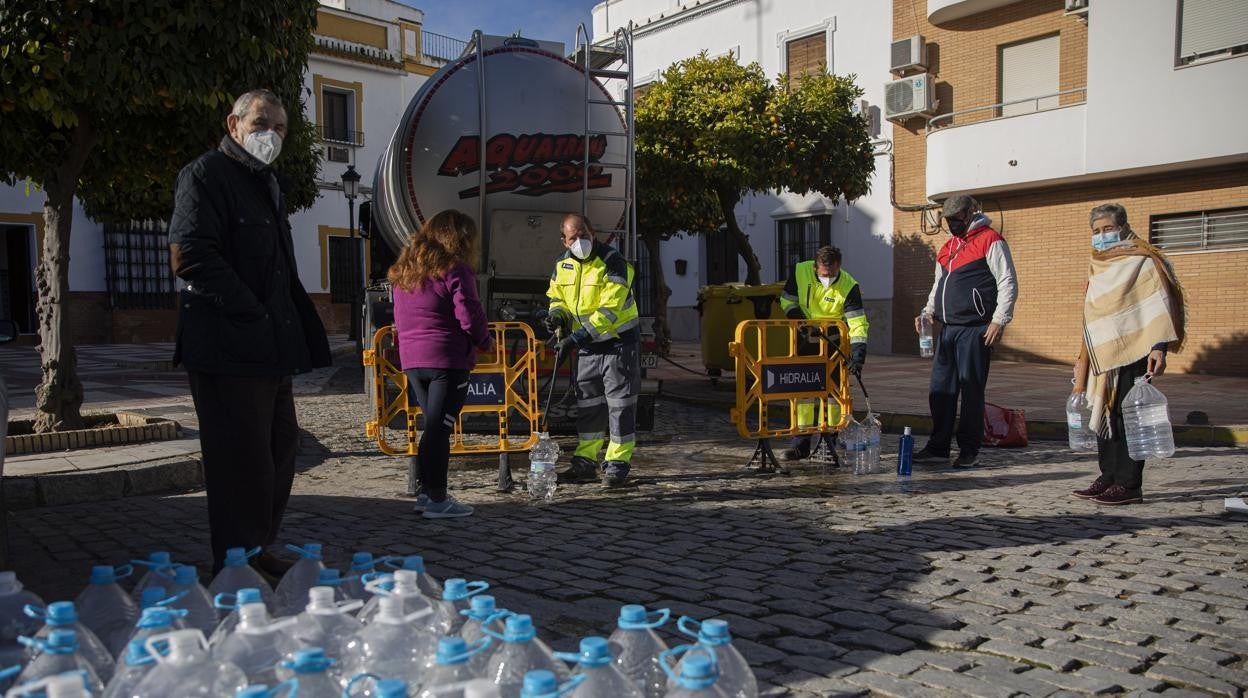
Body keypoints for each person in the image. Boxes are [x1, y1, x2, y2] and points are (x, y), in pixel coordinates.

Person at [169, 89, 331, 578]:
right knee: (240, 461)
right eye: (262, 123)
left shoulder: (267, 182)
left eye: (280, 128)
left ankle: (258, 547)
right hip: (228, 346)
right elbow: (191, 255)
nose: (272, 135)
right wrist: (252, 311)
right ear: (234, 124)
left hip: (268, 349)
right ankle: (235, 561)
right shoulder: (205, 175)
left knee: (280, 452)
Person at [1071, 203, 1184, 505]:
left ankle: (1129, 483)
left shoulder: (1143, 260)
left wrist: (1158, 347)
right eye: (1096, 231)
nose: (1102, 236)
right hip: (1103, 351)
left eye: (1108, 229)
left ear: (1122, 227)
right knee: (1104, 410)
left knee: (1126, 415)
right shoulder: (1099, 262)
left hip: (1134, 348)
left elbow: (1159, 304)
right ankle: (1108, 475)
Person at [389, 209, 494, 518]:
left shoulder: (405, 272)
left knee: (432, 428)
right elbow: (469, 314)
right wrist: (484, 342)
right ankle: (437, 498)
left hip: (413, 360)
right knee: (439, 430)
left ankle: (426, 492)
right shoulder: (456, 269)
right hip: (447, 360)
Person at [914, 194, 1017, 469]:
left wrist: (999, 319)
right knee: (940, 390)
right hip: (948, 329)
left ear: (971, 213)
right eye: (948, 220)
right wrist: (927, 311)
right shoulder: (948, 247)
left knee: (971, 390)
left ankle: (969, 449)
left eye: (956, 218)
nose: (952, 224)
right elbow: (939, 285)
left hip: (975, 328)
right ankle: (938, 446)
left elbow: (1007, 280)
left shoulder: (990, 240)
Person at [544, 213, 640, 487]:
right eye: (573, 238)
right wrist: (558, 317)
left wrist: (574, 339)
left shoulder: (613, 261)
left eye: (584, 234)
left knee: (619, 406)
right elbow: (556, 297)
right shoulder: (562, 264)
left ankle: (617, 464)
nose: (580, 241)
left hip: (618, 343)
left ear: (593, 233)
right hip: (587, 346)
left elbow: (609, 310)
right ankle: (585, 461)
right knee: (588, 405)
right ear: (564, 240)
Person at [778, 246, 869, 461]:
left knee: (834, 396)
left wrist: (858, 355)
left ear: (839, 266)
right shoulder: (801, 272)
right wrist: (800, 318)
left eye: (832, 274)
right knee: (804, 394)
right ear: (815, 266)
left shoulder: (848, 285)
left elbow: (857, 323)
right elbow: (787, 299)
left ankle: (830, 443)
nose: (828, 277)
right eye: (823, 273)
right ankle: (801, 444)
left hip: (834, 345)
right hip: (805, 341)